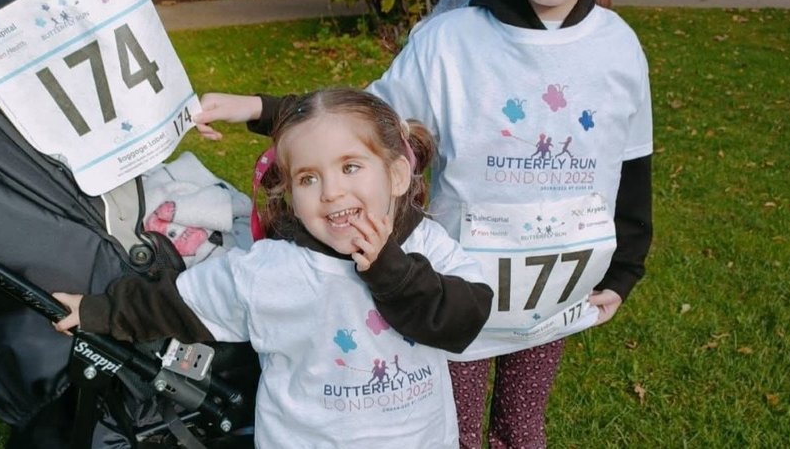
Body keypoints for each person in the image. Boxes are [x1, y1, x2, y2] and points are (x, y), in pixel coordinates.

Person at [193, 0, 653, 447]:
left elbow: (632, 167)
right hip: (449, 295)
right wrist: (258, 108)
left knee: (522, 429)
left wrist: (622, 274)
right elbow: (358, 123)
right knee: (454, 434)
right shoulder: (448, 45)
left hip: (554, 303)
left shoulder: (621, 49)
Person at [53, 88, 493, 448]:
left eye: (351, 167)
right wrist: (95, 312)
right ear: (289, 192)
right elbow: (177, 304)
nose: (332, 191)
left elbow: (462, 319)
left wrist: (391, 271)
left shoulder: (426, 243)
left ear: (396, 175)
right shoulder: (269, 271)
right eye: (308, 178)